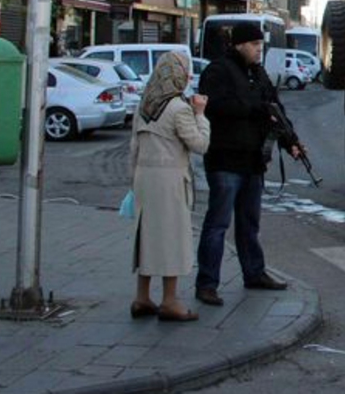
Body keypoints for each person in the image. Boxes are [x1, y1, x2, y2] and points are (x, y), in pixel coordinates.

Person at [194, 22, 303, 307]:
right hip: (225, 159)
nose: (259, 50)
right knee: (218, 224)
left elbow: (275, 109)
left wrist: (290, 140)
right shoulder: (218, 70)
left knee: (249, 224)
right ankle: (207, 283)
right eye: (255, 45)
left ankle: (254, 273)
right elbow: (212, 106)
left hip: (252, 160)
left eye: (260, 45)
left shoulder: (258, 73)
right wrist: (252, 108)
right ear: (240, 45)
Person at [129, 52, 210, 322]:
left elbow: (134, 148)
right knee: (171, 238)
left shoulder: (145, 105)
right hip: (170, 179)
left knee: (147, 236)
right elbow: (200, 145)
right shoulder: (178, 108)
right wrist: (200, 114)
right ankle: (170, 300)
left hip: (144, 177)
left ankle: (142, 297)